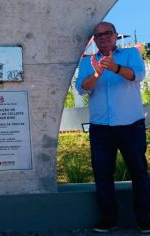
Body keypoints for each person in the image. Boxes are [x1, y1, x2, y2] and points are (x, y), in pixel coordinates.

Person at [76, 21, 150, 233]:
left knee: (139, 172)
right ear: (95, 40)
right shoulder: (88, 62)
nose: (103, 37)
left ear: (116, 35)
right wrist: (98, 73)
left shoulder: (130, 55)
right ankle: (109, 219)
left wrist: (114, 67)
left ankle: (145, 219)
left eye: (107, 33)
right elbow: (82, 88)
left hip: (131, 125)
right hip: (101, 128)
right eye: (98, 35)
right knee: (102, 173)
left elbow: (138, 75)